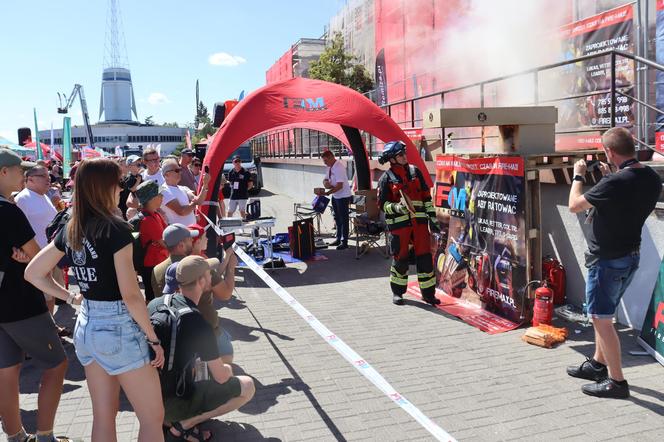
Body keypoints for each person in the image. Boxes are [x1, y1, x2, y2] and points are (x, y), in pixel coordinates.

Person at [26, 158, 166, 441]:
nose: (120, 190)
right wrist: (153, 339)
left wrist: (72, 298)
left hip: (87, 326)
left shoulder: (73, 227)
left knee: (103, 414)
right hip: (117, 327)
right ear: (104, 188)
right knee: (152, 418)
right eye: (117, 184)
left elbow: (33, 273)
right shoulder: (116, 229)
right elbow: (130, 295)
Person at [566, 127, 661, 399]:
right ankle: (598, 364)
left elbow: (574, 205)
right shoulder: (651, 178)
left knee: (600, 318)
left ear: (609, 152)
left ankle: (617, 382)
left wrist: (578, 175)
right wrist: (612, 176)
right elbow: (627, 197)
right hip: (630, 256)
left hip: (607, 260)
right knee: (604, 315)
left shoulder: (614, 183)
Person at [0, 148, 72, 442]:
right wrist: (25, 257)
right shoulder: (8, 210)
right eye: (19, 170)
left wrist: (24, 257)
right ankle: (45, 436)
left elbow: (27, 255)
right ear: (4, 172)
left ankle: (16, 436)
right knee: (58, 364)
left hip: (4, 305)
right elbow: (35, 255)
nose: (23, 175)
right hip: (21, 304)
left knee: (7, 372)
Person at [147, 256, 255, 440]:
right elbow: (221, 377)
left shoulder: (156, 304)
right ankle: (184, 424)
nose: (211, 276)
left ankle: (170, 420)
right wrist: (227, 369)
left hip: (149, 399)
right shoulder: (198, 322)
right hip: (175, 401)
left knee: (202, 369)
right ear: (201, 281)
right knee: (248, 385)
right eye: (208, 273)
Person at [156, 224, 238, 363]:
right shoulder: (199, 267)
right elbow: (226, 294)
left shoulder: (157, 269)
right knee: (227, 351)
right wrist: (231, 268)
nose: (192, 241)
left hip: (174, 332)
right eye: (189, 240)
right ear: (181, 245)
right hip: (204, 330)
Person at [377, 141, 441, 306]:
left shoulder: (415, 172)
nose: (405, 156)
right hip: (400, 228)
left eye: (404, 154)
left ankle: (428, 294)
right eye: (400, 155)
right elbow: (382, 205)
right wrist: (397, 207)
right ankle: (397, 293)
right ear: (392, 159)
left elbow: (426, 197)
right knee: (400, 260)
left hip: (419, 226)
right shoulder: (386, 179)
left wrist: (432, 219)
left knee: (425, 260)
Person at [135, 180, 169, 302]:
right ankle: (150, 319)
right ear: (151, 198)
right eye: (159, 195)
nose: (162, 197)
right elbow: (163, 242)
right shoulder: (147, 220)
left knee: (157, 293)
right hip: (151, 265)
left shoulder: (156, 214)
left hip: (159, 261)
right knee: (152, 295)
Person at [160, 159, 208, 226]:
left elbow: (199, 201)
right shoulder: (163, 190)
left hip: (191, 231)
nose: (180, 172)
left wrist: (205, 184)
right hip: (179, 234)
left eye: (180, 170)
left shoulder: (184, 188)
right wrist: (194, 204)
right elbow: (182, 211)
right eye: (177, 170)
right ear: (167, 175)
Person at [320, 150, 352, 250]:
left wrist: (328, 193)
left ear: (331, 157)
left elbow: (340, 186)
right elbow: (325, 179)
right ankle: (338, 238)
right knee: (337, 218)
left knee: (344, 219)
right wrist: (325, 183)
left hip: (342, 196)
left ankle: (344, 241)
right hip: (336, 196)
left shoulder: (339, 167)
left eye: (325, 161)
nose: (324, 163)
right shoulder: (330, 167)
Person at [119, 155, 143, 220]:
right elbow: (132, 189)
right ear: (129, 166)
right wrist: (138, 181)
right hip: (125, 207)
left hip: (135, 206)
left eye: (140, 164)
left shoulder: (139, 176)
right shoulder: (128, 178)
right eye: (137, 164)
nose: (139, 166)